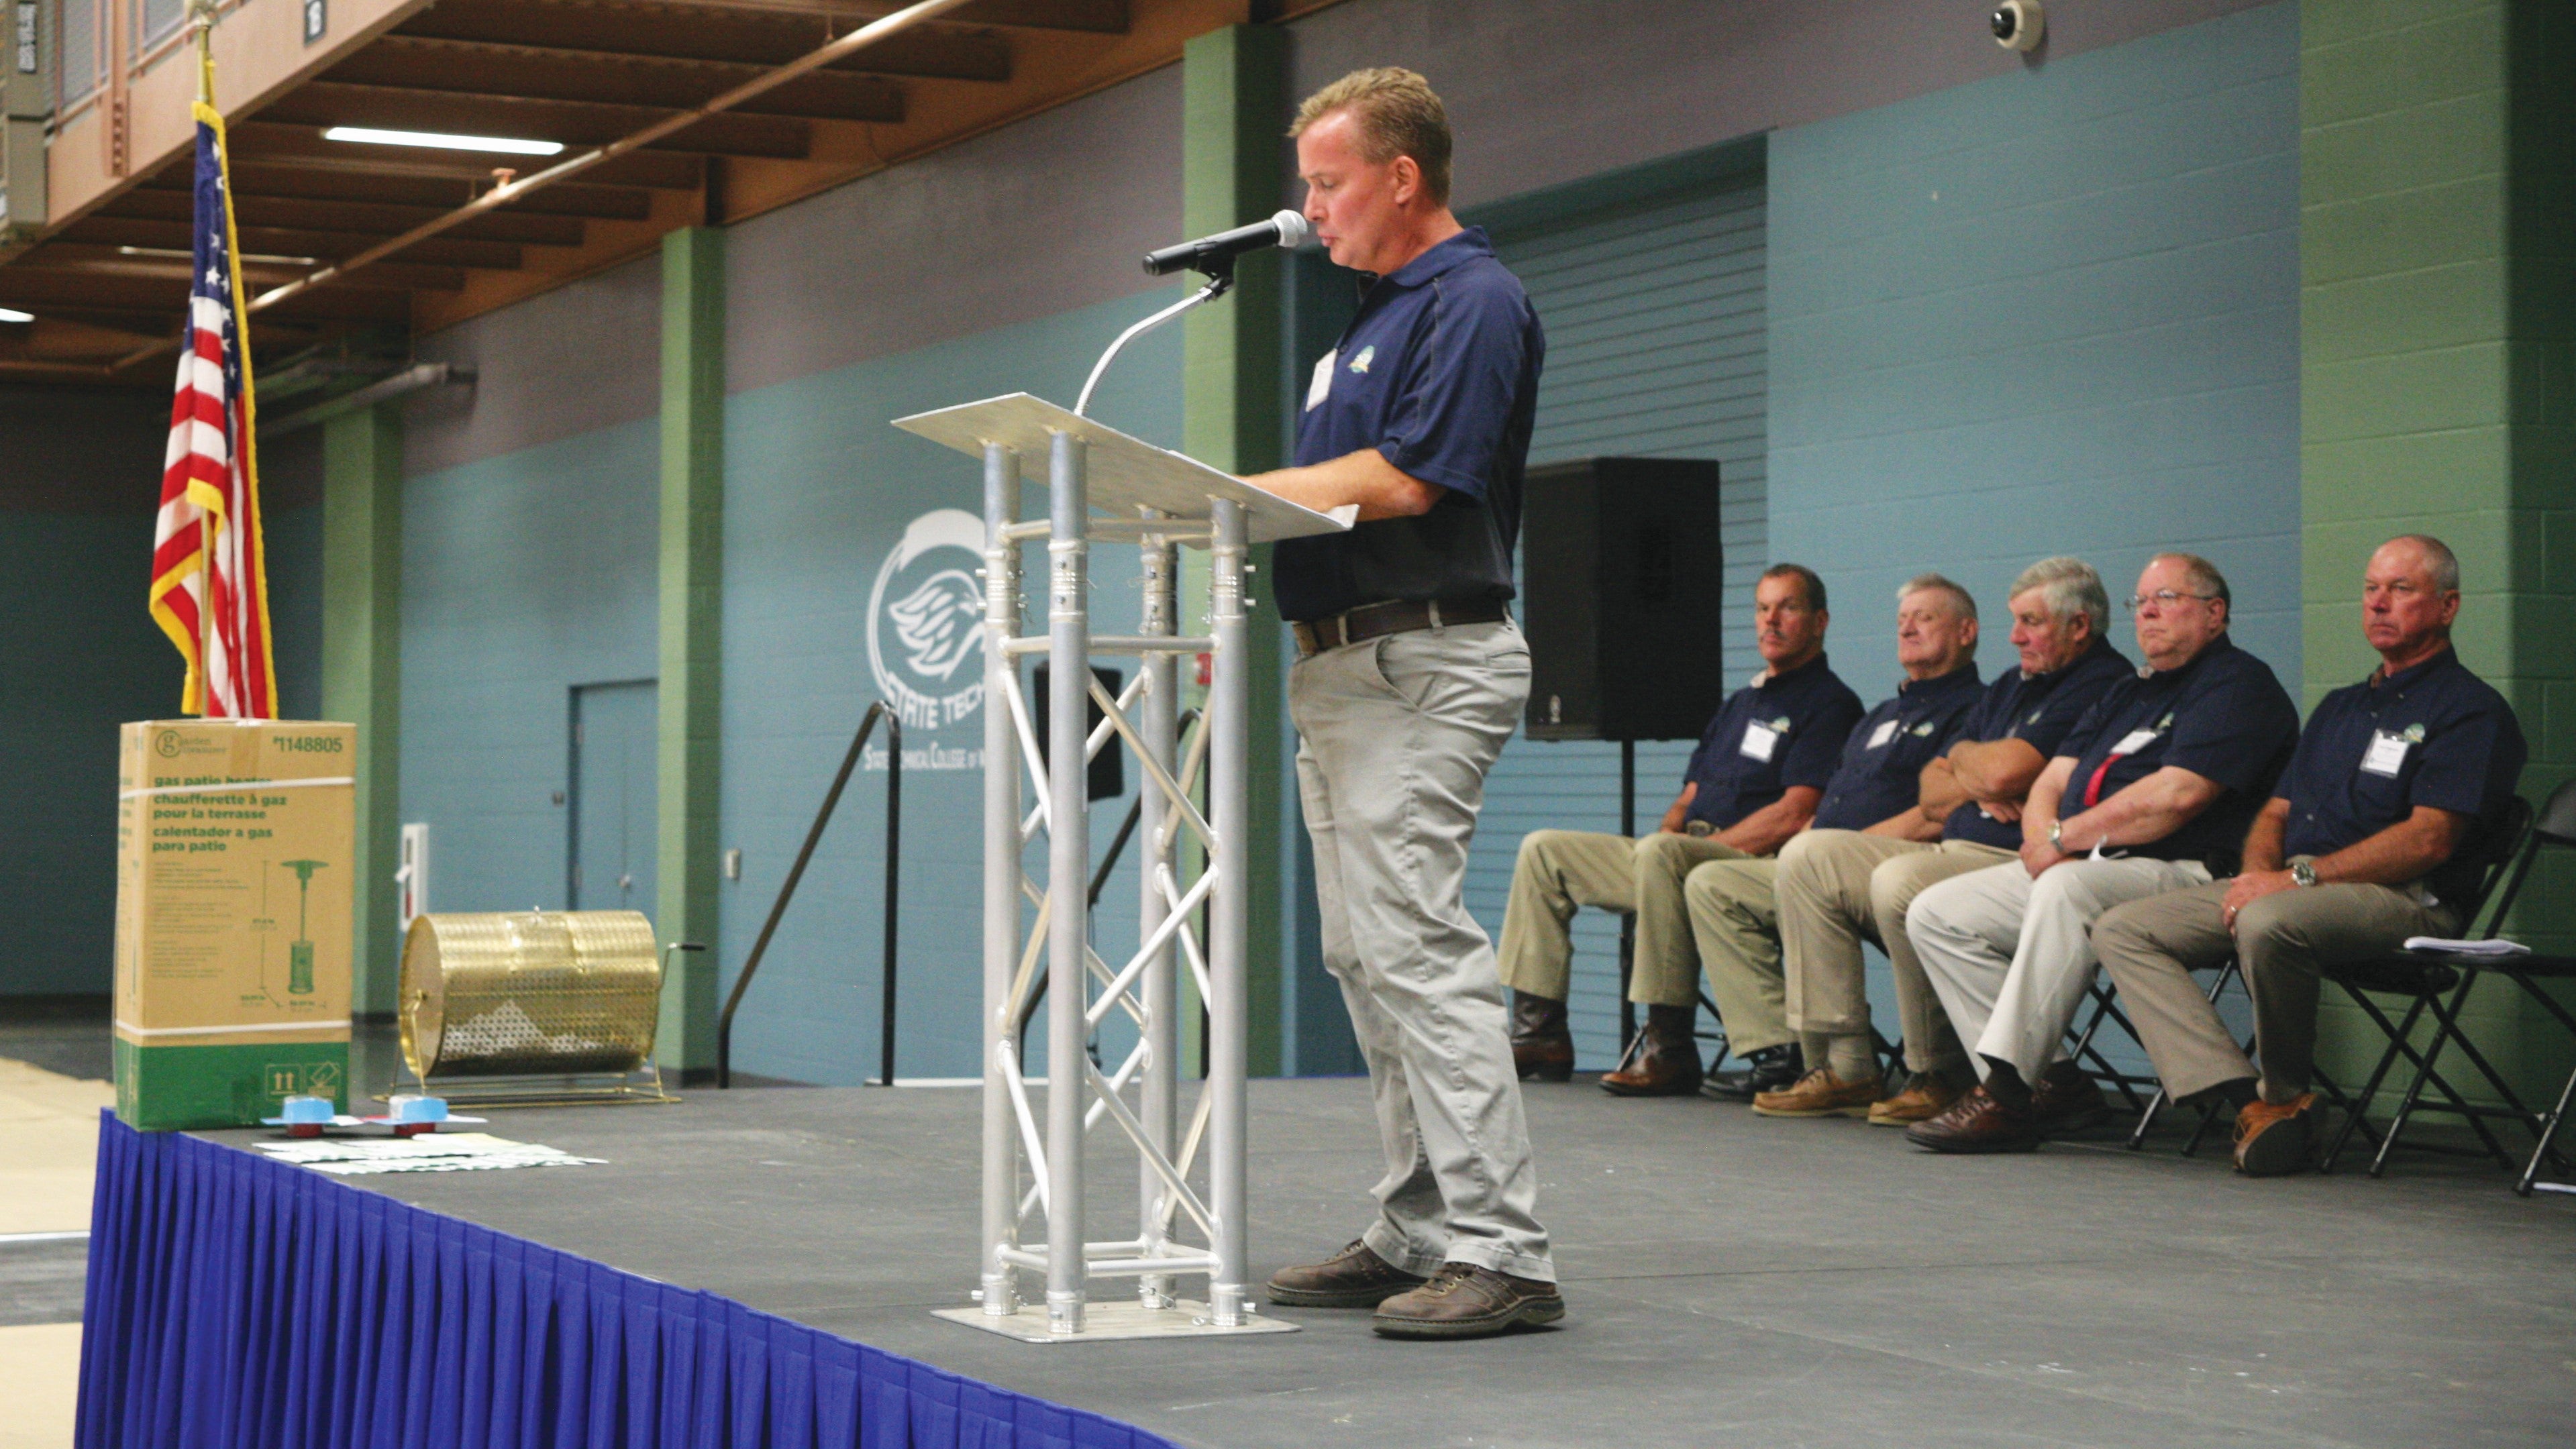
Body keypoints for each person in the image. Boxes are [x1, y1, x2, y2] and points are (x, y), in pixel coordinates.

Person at [1241, 68, 1558, 1340]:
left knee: (1417, 954)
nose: (1310, 209)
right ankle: (1417, 1226)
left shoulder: (1470, 300)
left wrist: (1237, 490)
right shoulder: (1360, 324)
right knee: (1361, 960)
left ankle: (1504, 1251)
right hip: (1339, 667)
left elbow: (1413, 480)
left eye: (1325, 183)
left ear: (1400, 176)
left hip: (1419, 661)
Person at [2092, 536, 2524, 1175]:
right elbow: (2275, 812)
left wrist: (2296, 878)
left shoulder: (2470, 710)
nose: (2379, 603)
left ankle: (2285, 1093)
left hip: (2405, 900)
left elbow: (2429, 838)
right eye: (2371, 589)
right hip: (2295, 884)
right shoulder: (2341, 706)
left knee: (2270, 921)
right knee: (2123, 929)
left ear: (2448, 606)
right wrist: (2259, 874)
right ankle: (2244, 1100)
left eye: (2401, 590)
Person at [1901, 553, 2300, 1153]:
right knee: (1936, 912)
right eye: (2140, 603)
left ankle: (2005, 1094)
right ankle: (2054, 1081)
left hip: (2184, 871)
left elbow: (2174, 796)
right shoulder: (2127, 690)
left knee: (2066, 890)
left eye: (2166, 599)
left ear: (2214, 613)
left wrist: (2064, 841)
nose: (2147, 614)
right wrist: (2043, 842)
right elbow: (2050, 782)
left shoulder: (2239, 684)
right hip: (2088, 865)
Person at [1759, 558, 2132, 1123]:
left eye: (2029, 622)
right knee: (1807, 854)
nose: (2014, 638)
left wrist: (1972, 768)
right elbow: (1933, 791)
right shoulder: (2011, 685)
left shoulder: (2101, 682)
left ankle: (1937, 1071)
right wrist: (1966, 766)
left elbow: (2006, 774)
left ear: (2078, 626)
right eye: (2014, 622)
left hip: (2009, 858)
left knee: (1896, 882)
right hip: (1952, 848)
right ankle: (1845, 1063)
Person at [1496, 564, 1865, 1095]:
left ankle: (1668, 1046)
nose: (1771, 621)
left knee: (1663, 856)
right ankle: (1540, 1033)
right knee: (1544, 850)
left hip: (1749, 862)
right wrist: (1667, 833)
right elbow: (1688, 795)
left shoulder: (1829, 703)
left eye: (1787, 607)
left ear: (1819, 621)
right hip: (1680, 850)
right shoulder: (1741, 703)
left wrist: (1690, 848)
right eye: (1762, 608)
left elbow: (1793, 812)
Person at [1676, 574, 1984, 1102]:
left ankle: (1847, 1063)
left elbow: (1940, 813)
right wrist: (1816, 848)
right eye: (1901, 620)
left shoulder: (1977, 709)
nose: (1907, 627)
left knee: (1810, 856)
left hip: (1901, 863)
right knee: (1713, 883)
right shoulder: (1880, 716)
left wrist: (1831, 848)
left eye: (1925, 617)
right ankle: (1785, 1055)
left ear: (1966, 632)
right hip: (1821, 861)